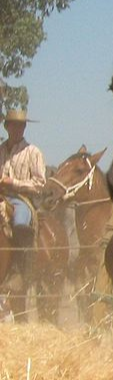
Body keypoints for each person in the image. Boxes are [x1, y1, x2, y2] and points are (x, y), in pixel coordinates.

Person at [0, 109, 46, 273]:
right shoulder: (0, 150)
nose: (18, 129)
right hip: (1, 197)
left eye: (21, 125)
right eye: (14, 125)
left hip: (22, 200)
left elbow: (40, 184)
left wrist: (13, 183)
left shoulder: (33, 152)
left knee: (20, 224)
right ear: (7, 127)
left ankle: (21, 271)